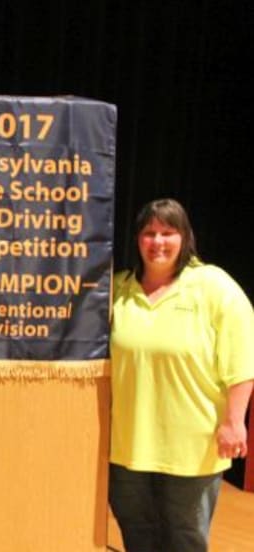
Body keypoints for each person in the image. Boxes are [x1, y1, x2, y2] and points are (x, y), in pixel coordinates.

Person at [109, 198, 254, 552]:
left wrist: (235, 421)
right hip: (127, 444)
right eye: (149, 233)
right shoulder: (117, 290)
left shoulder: (213, 286)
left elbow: (242, 359)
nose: (157, 242)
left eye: (168, 232)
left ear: (185, 237)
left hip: (193, 446)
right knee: (137, 532)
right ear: (137, 239)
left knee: (184, 537)